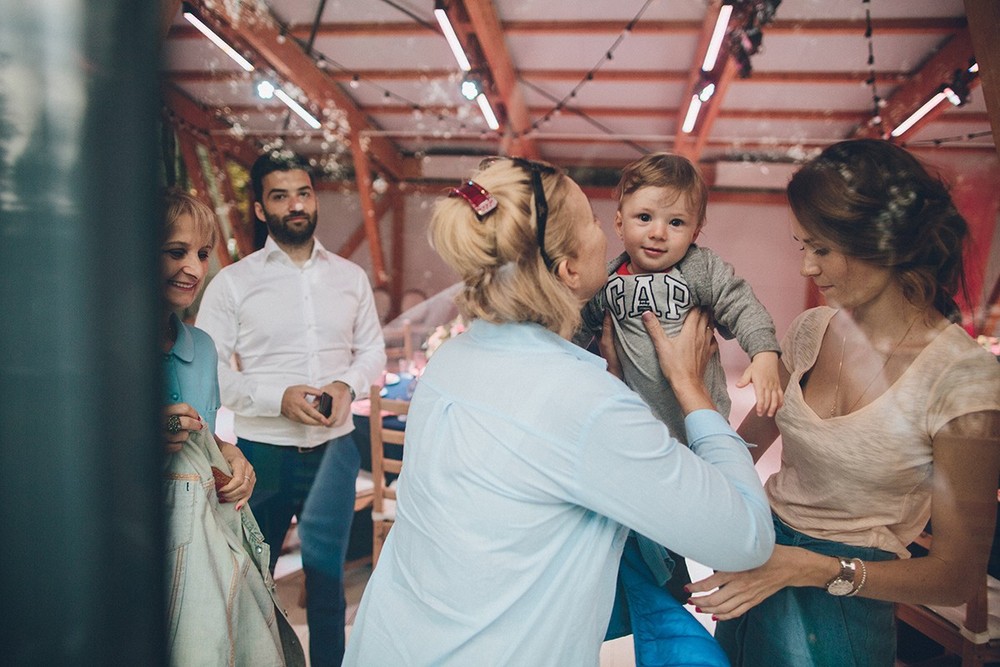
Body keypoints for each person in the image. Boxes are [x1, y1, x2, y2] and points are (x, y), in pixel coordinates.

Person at [343, 156, 776, 665]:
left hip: (395, 641)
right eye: (594, 221)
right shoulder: (586, 404)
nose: (605, 232)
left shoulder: (454, 357)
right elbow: (746, 538)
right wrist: (691, 389)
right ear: (569, 269)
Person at [687, 139, 1000, 666]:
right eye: (801, 246)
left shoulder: (964, 379)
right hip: (760, 557)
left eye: (823, 248)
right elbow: (743, 448)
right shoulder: (811, 329)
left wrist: (807, 567)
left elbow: (955, 576)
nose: (807, 268)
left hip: (844, 596)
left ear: (885, 242)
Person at [573, 152, 782, 665]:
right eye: (644, 218)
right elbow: (577, 330)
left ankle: (691, 585)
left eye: (676, 222)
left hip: (694, 424)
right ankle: (666, 598)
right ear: (618, 220)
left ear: (696, 230)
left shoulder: (703, 269)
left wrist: (765, 352)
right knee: (643, 530)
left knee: (713, 516)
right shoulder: (606, 280)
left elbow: (742, 304)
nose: (658, 233)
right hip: (634, 432)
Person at [195, 151, 386, 667]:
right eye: (280, 196)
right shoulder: (233, 283)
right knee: (254, 581)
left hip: (335, 452)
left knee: (328, 585)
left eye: (302, 192)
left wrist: (347, 384)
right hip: (263, 453)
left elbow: (373, 351)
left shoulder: (350, 277)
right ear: (261, 208)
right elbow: (209, 373)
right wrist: (276, 398)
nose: (295, 204)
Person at [160, 189, 304, 666]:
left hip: (205, 532)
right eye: (176, 252)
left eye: (203, 254)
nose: (195, 270)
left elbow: (206, 436)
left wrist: (233, 455)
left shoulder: (201, 347)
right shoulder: (102, 339)